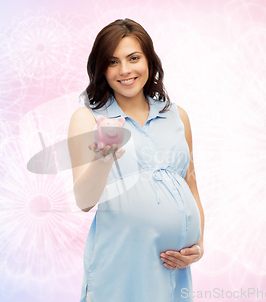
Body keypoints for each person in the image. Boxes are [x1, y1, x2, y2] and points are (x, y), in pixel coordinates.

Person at [68, 18, 205, 302]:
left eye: (133, 58)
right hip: (120, 271)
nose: (125, 70)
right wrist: (104, 159)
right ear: (101, 69)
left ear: (149, 62)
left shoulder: (177, 117)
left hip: (172, 271)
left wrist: (198, 245)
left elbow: (190, 186)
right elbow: (83, 201)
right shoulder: (88, 119)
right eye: (113, 61)